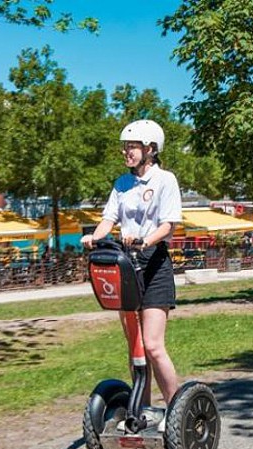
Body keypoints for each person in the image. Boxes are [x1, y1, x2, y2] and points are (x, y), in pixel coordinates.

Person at [81, 119, 182, 408]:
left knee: (152, 344)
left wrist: (144, 241)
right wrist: (94, 238)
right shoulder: (122, 183)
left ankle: (177, 410)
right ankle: (144, 410)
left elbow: (168, 225)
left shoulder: (165, 180)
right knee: (135, 346)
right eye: (125, 147)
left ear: (150, 148)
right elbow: (108, 220)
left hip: (154, 263)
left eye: (132, 146)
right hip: (126, 264)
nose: (127, 151)